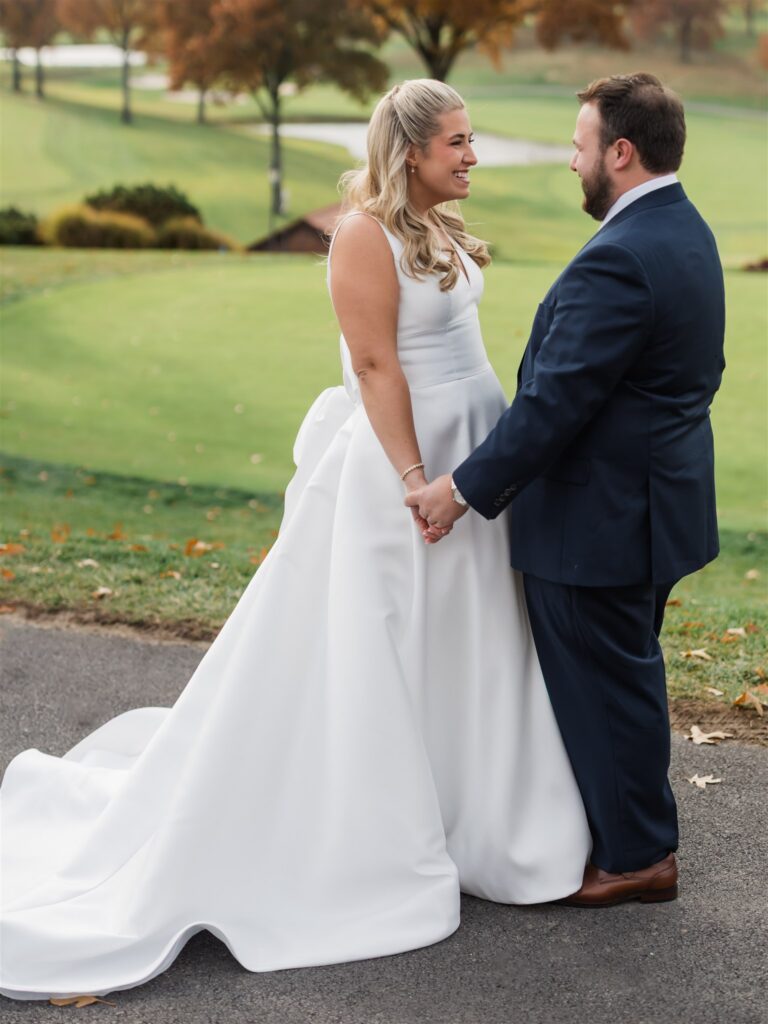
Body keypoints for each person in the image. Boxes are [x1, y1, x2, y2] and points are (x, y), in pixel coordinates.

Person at [0, 80, 590, 1002]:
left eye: (473, 139)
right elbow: (375, 364)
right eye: (457, 142)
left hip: (472, 453)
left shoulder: (437, 225)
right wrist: (414, 480)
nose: (472, 155)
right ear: (410, 151)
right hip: (407, 468)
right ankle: (375, 824)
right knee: (388, 640)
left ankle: (473, 815)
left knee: (469, 635)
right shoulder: (363, 235)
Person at [407, 73, 726, 907]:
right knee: (622, 676)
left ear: (620, 152)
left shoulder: (621, 256)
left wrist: (461, 489)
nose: (572, 162)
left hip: (599, 519)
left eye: (579, 147)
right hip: (655, 504)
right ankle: (625, 832)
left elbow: (554, 404)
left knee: (610, 688)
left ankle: (639, 856)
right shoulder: (685, 228)